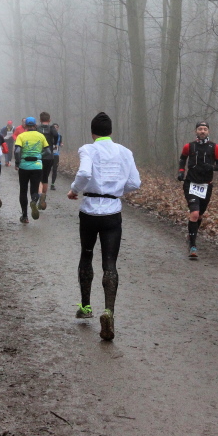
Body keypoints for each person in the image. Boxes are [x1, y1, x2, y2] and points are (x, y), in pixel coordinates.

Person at [67, 112, 141, 341]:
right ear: (111, 132)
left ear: (92, 133)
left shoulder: (88, 149)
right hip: (112, 213)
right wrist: (115, 191)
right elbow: (135, 182)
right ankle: (109, 312)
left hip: (89, 211)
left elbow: (84, 172)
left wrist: (74, 190)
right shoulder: (125, 152)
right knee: (110, 263)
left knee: (86, 255)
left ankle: (86, 307)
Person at [177, 121, 218, 258]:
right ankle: (192, 245)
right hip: (191, 184)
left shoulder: (214, 147)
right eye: (200, 129)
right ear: (196, 131)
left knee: (200, 215)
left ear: (208, 131)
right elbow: (182, 159)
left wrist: (212, 167)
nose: (202, 131)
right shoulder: (189, 146)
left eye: (205, 129)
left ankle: (191, 236)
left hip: (206, 185)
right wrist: (181, 172)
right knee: (194, 214)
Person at [14, 116, 50, 223]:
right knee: (34, 189)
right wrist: (39, 155)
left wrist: (17, 162)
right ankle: (34, 200)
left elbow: (17, 151)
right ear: (35, 125)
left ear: (25, 125)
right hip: (37, 166)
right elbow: (48, 151)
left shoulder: (21, 136)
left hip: (24, 166)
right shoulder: (41, 136)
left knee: (23, 190)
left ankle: (24, 216)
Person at [37, 112, 59, 210]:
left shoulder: (37, 128)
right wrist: (54, 143)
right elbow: (56, 135)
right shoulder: (51, 128)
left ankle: (40, 194)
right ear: (49, 120)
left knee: (38, 177)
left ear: (40, 119)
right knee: (45, 177)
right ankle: (43, 196)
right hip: (49, 156)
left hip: (39, 155)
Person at [50, 123, 62, 190]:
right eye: (54, 127)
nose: (55, 128)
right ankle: (43, 182)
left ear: (58, 128)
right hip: (49, 154)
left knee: (55, 169)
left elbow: (60, 143)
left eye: (56, 127)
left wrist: (61, 144)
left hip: (56, 154)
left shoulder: (59, 136)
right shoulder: (49, 135)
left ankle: (52, 184)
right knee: (47, 169)